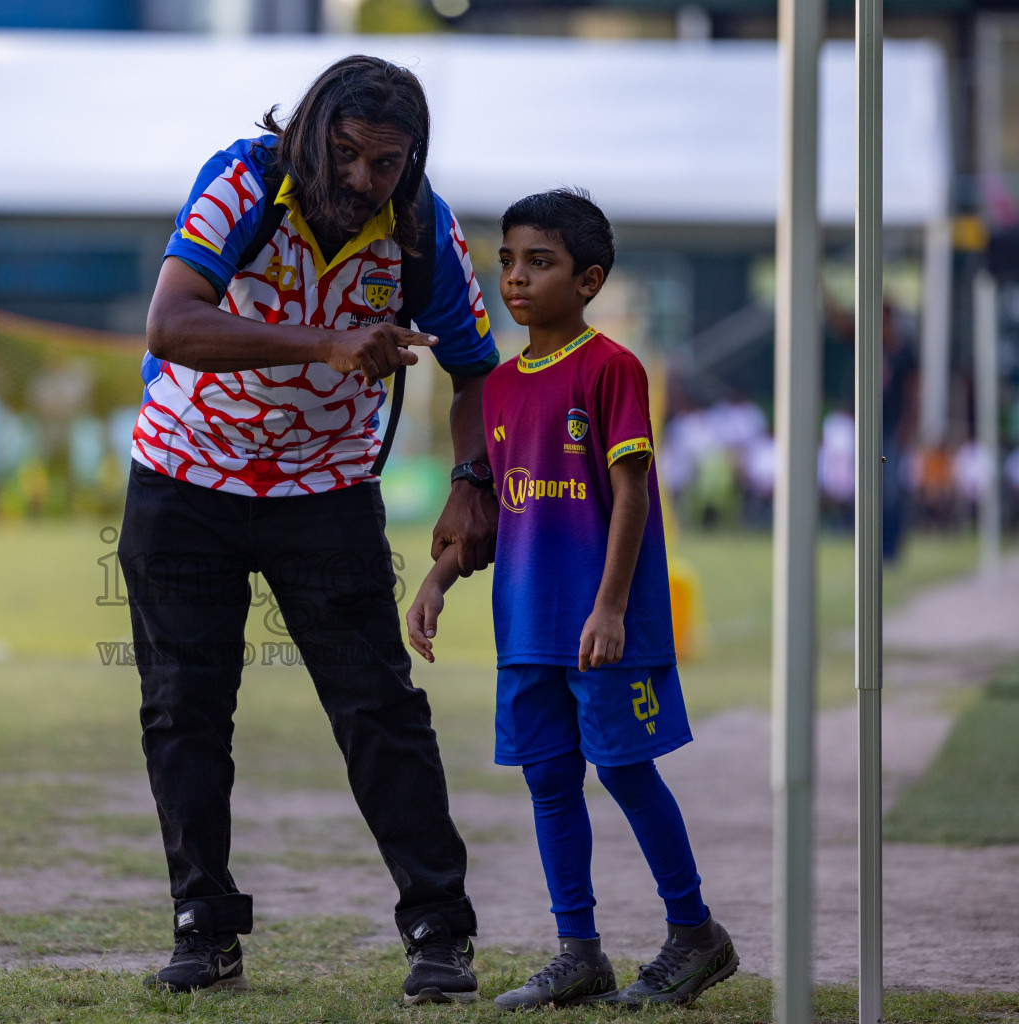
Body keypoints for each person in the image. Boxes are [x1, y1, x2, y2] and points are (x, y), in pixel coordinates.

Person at [119, 55, 499, 1003]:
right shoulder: (245, 179)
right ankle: (203, 927)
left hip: (324, 488)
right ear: (309, 133)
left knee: (378, 706)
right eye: (345, 154)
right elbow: (171, 323)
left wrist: (469, 481)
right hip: (184, 475)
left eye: (386, 161)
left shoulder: (421, 228)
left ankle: (439, 931)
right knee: (185, 708)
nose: (363, 180)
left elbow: (476, 368)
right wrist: (329, 344)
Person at [405, 189, 738, 1010]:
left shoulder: (613, 368)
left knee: (625, 771)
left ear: (588, 280)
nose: (515, 279)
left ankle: (695, 933)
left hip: (605, 626)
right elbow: (495, 508)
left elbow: (631, 496)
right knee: (549, 781)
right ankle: (577, 952)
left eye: (539, 263)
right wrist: (439, 580)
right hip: (525, 626)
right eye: (508, 262)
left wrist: (612, 607)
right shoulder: (500, 388)